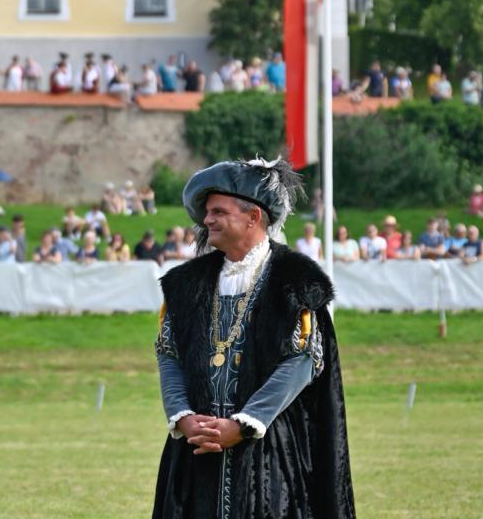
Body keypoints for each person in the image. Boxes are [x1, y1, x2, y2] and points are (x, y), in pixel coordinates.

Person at [152, 158, 355, 519]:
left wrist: (244, 424)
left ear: (253, 217)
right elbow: (169, 353)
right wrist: (182, 417)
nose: (207, 220)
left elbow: (303, 360)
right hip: (196, 450)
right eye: (207, 212)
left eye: (218, 211)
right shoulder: (185, 284)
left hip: (267, 454)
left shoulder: (294, 281)